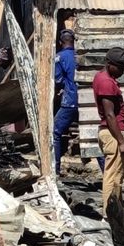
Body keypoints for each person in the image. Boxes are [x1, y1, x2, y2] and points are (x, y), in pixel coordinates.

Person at [92, 48, 124, 214]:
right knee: (113, 175)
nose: (122, 72)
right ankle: (110, 214)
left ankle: (117, 211)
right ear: (109, 64)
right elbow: (109, 114)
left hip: (111, 132)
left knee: (117, 176)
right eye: (120, 68)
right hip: (113, 134)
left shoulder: (103, 77)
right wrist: (122, 142)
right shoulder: (107, 82)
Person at [50, 29, 80, 168]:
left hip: (70, 101)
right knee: (90, 134)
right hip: (85, 101)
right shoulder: (80, 56)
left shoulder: (59, 57)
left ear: (61, 43)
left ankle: (54, 170)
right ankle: (106, 172)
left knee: (54, 133)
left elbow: (58, 79)